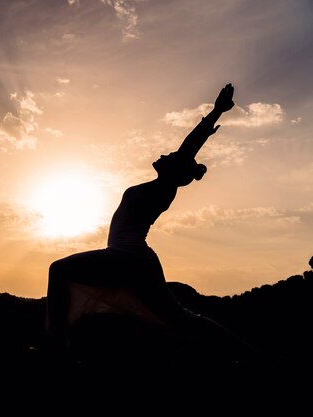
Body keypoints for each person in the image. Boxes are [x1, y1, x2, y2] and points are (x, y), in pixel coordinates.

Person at [45, 83, 255, 364]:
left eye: (171, 157)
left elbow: (188, 146)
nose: (164, 155)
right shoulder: (158, 185)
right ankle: (244, 351)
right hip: (135, 258)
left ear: (176, 169)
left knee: (59, 270)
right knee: (179, 317)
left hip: (128, 256)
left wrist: (216, 112)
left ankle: (57, 347)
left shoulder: (164, 187)